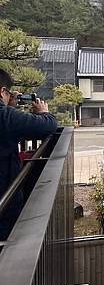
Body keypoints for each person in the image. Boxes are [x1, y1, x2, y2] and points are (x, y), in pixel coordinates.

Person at [0, 69, 58, 240]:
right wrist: (44, 112)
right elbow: (47, 125)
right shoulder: (5, 116)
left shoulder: (6, 116)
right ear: (3, 91)